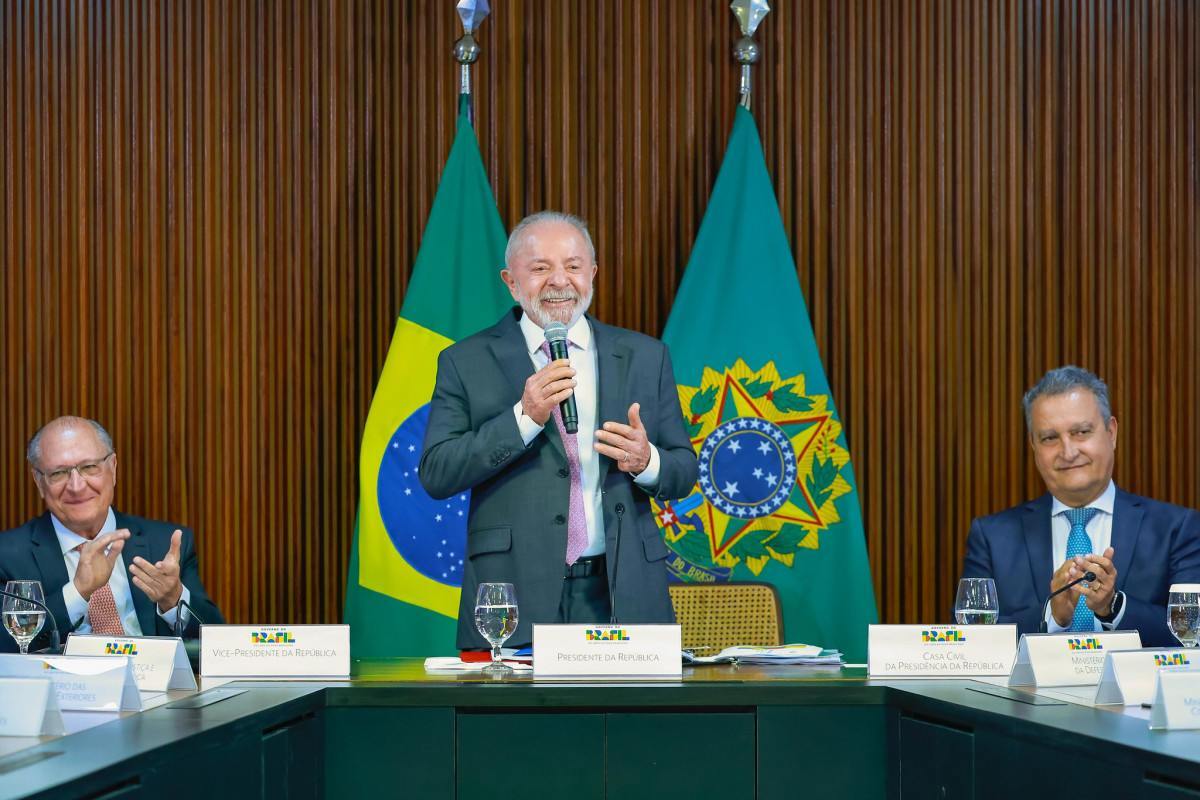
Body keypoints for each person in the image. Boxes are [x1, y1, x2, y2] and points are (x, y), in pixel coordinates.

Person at [419, 211, 699, 650]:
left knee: (630, 720)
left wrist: (648, 462)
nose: (559, 281)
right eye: (540, 267)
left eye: (572, 265)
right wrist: (524, 419)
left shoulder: (645, 356)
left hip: (621, 587)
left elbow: (683, 470)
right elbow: (437, 472)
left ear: (592, 274)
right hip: (512, 592)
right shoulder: (465, 361)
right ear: (511, 281)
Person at [960, 366, 1200, 646]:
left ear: (1111, 433)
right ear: (1034, 446)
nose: (1068, 452)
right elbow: (971, 642)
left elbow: (1193, 636)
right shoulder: (992, 537)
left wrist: (1114, 607)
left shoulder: (1177, 530)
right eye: (1050, 438)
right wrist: (1053, 616)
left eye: (1081, 432)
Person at [0, 416, 224, 653]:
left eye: (89, 467)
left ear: (113, 467)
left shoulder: (164, 544)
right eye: (59, 473)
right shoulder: (8, 555)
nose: (76, 486)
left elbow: (219, 646)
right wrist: (77, 592)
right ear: (39, 481)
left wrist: (173, 599)